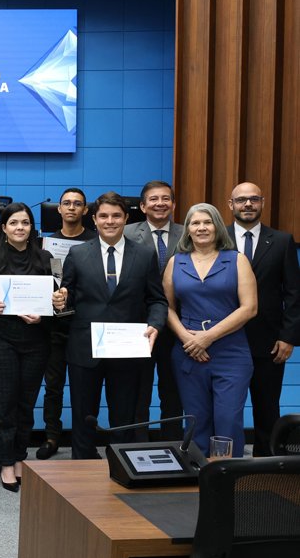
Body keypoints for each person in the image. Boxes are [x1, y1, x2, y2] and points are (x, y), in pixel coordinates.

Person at [53, 192, 167, 460]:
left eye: (116, 216)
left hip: (128, 350)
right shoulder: (77, 254)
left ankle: (122, 469)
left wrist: (155, 325)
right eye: (103, 216)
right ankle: (82, 468)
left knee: (123, 417)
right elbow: (65, 300)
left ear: (126, 218)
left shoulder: (145, 254)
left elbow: (157, 300)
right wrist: (60, 304)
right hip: (84, 349)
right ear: (94, 219)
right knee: (83, 415)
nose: (110, 221)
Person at [164, 203, 257, 457]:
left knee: (228, 419)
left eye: (207, 222)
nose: (202, 227)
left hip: (231, 352)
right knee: (197, 420)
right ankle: (197, 478)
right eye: (195, 223)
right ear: (188, 229)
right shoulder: (176, 262)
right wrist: (187, 338)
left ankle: (228, 478)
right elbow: (166, 307)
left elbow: (249, 308)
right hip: (188, 352)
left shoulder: (237, 260)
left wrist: (207, 337)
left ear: (217, 226)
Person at [0, 203, 52, 491]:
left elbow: (59, 303)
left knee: (26, 404)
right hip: (0, 341)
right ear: (4, 228)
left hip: (36, 341)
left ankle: (20, 456)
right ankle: (6, 462)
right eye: (14, 223)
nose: (20, 227)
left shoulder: (46, 259)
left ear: (32, 227)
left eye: (25, 222)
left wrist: (47, 311)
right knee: (4, 403)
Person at [227, 183, 300, 456]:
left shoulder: (281, 241)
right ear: (230, 204)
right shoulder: (215, 237)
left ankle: (266, 466)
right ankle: (221, 464)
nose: (248, 204)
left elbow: (293, 293)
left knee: (267, 407)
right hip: (223, 339)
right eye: (242, 199)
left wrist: (288, 336)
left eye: (254, 199)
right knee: (225, 406)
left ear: (262, 202)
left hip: (269, 341)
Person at [36, 187, 96, 460]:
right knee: (54, 385)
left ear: (86, 210)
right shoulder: (46, 245)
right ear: (58, 210)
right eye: (66, 204)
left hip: (87, 323)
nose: (71, 208)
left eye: (78, 204)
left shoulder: (96, 242)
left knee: (88, 387)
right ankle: (51, 436)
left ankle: (86, 439)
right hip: (56, 324)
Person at [126, 180, 184, 441]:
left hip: (179, 325)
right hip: (139, 325)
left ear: (173, 204)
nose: (160, 204)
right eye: (153, 199)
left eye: (165, 199)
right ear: (142, 205)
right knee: (138, 390)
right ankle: (138, 445)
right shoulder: (126, 233)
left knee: (172, 391)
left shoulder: (189, 233)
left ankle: (172, 444)